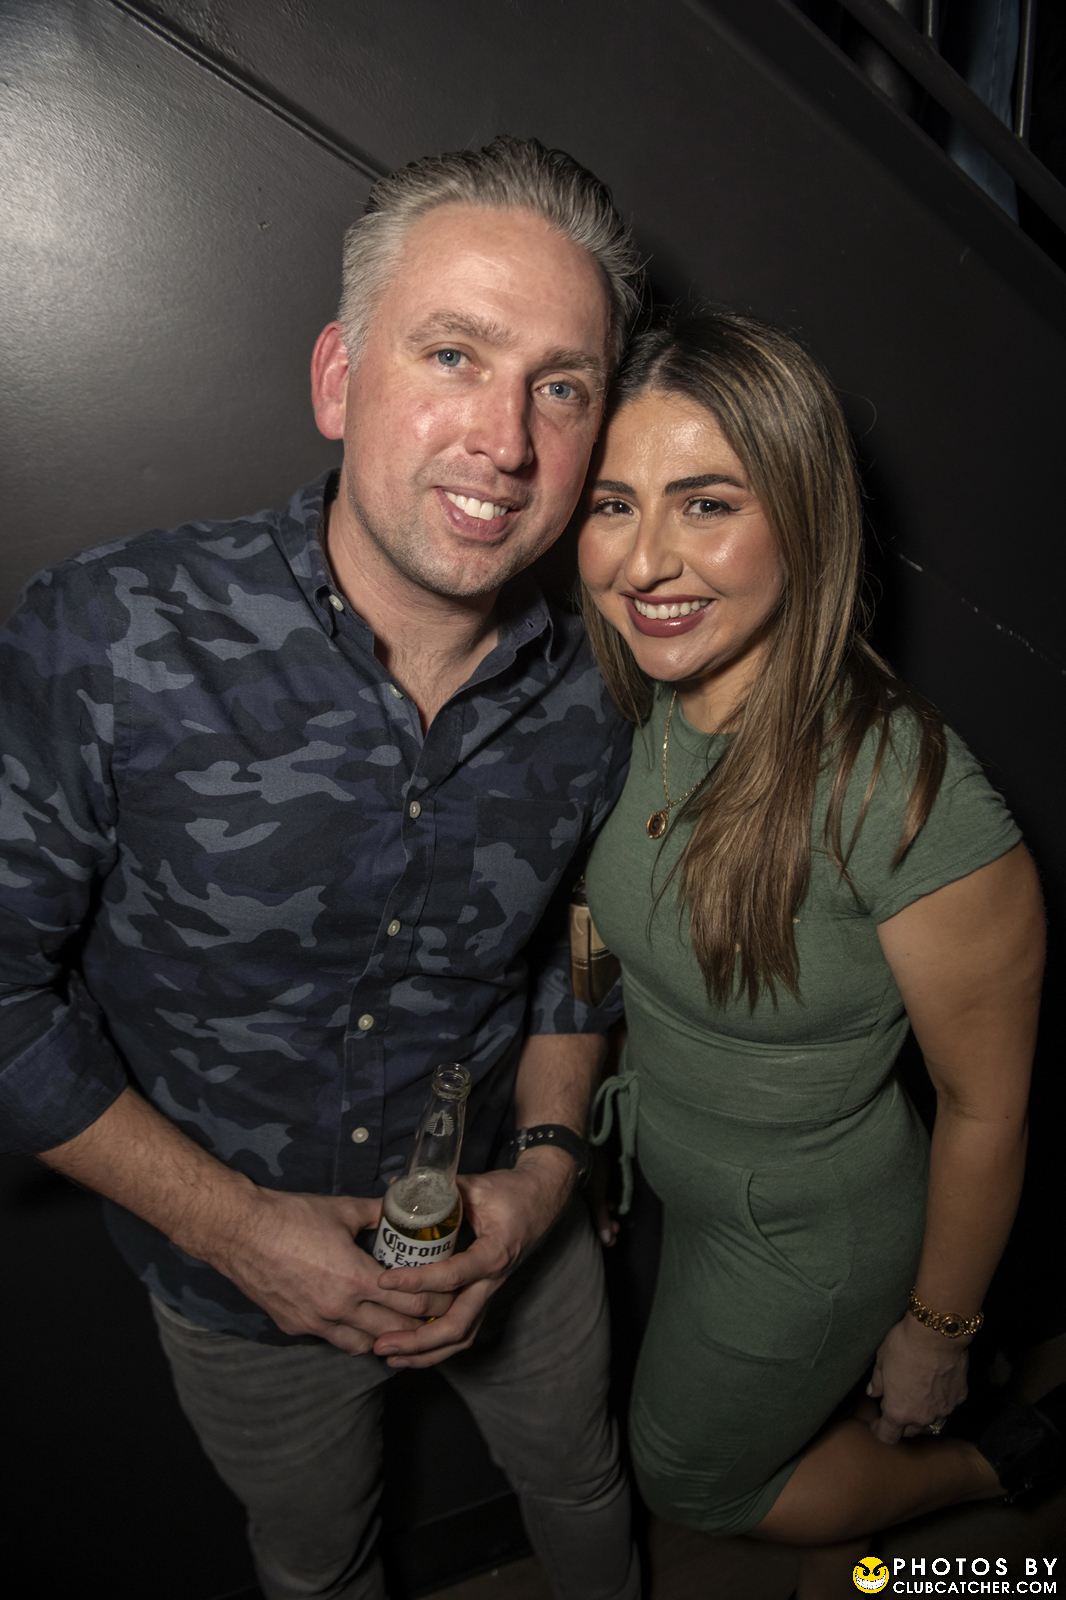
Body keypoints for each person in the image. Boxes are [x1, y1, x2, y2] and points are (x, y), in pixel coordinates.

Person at [0, 137, 645, 1600]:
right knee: (314, 1562)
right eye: (453, 355)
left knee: (584, 1482)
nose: (505, 440)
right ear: (339, 379)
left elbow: (583, 934)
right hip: (237, 1292)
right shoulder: (111, 637)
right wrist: (237, 1233)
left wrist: (547, 1178)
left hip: (514, 1239)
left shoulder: (604, 691)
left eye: (561, 386)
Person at [578, 311, 1055, 1597]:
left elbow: (985, 1105)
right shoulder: (653, 701)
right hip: (689, 1184)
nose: (643, 560)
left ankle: (993, 1469)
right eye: (614, 504)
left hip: (809, 1237)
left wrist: (937, 1332)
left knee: (695, 1480)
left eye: (707, 503)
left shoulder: (906, 797)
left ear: (805, 515)